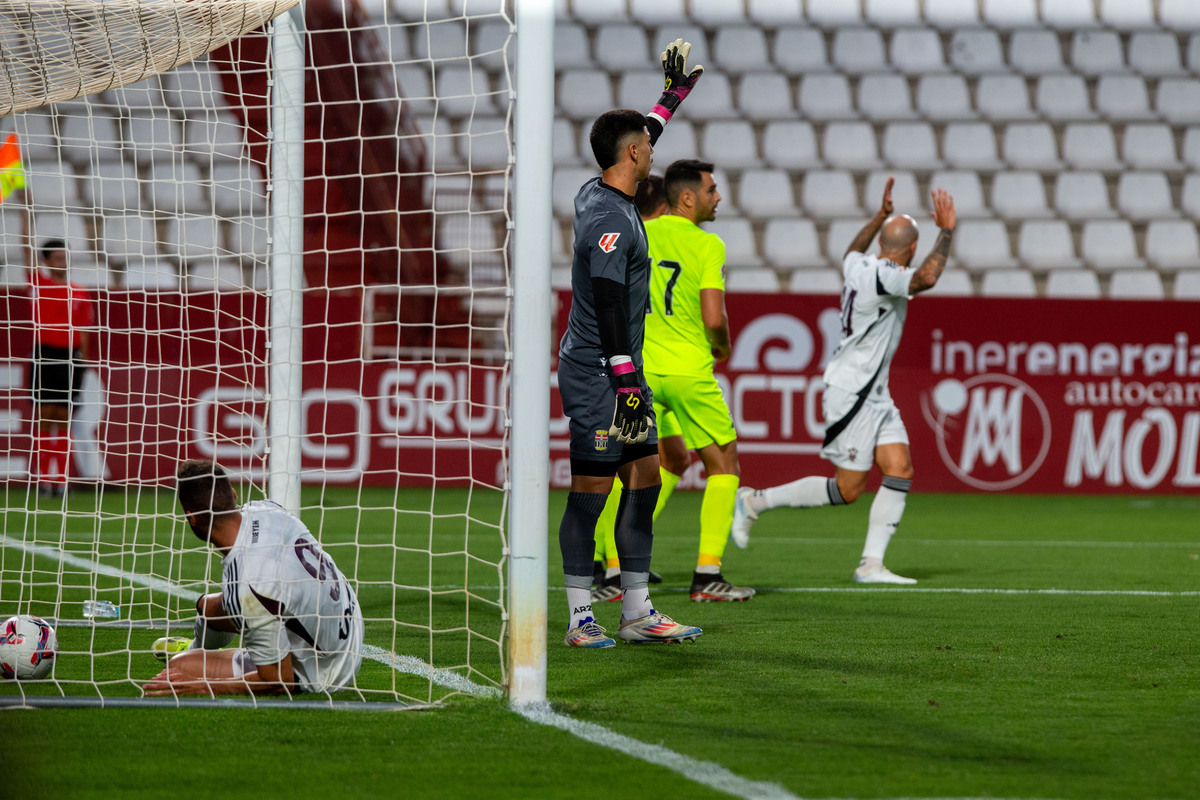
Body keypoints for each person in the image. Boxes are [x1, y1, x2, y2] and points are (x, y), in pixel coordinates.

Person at [730, 178, 956, 585]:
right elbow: (926, 280)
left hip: (874, 391)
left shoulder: (859, 264)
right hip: (853, 392)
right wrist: (948, 231)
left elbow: (852, 249)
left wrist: (879, 217)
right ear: (911, 248)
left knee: (899, 468)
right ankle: (755, 501)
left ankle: (871, 564)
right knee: (848, 489)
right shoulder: (887, 274)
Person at [557, 39, 704, 648]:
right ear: (634, 155)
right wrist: (623, 383)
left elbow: (640, 136)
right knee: (591, 493)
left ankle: (638, 610)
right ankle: (578, 617)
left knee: (644, 481)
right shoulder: (612, 221)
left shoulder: (601, 191)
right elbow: (610, 301)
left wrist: (671, 98)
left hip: (618, 370)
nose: (652, 153)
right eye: (647, 147)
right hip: (599, 373)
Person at [591, 159, 754, 604]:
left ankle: (613, 567)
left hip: (640, 375)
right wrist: (721, 346)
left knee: (645, 467)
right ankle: (707, 575)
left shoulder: (639, 234)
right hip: (688, 372)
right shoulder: (707, 245)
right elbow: (713, 317)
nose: (717, 197)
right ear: (687, 197)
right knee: (724, 467)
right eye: (711, 190)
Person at [143, 460, 364, 696]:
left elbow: (279, 681)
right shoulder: (266, 508)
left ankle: (196, 655)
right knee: (207, 606)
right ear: (234, 495)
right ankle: (196, 647)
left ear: (192, 518)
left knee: (179, 665)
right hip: (348, 623)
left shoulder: (249, 588)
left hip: (326, 668)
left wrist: (199, 685)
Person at [29, 239, 94, 498]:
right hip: (45, 354)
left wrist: (84, 363)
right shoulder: (39, 284)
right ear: (46, 262)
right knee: (45, 415)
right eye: (57, 258)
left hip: (70, 358)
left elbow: (84, 332)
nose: (62, 262)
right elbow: (25, 249)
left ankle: (61, 480)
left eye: (64, 257)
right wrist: (25, 214)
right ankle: (45, 479)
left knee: (65, 419)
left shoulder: (79, 291)